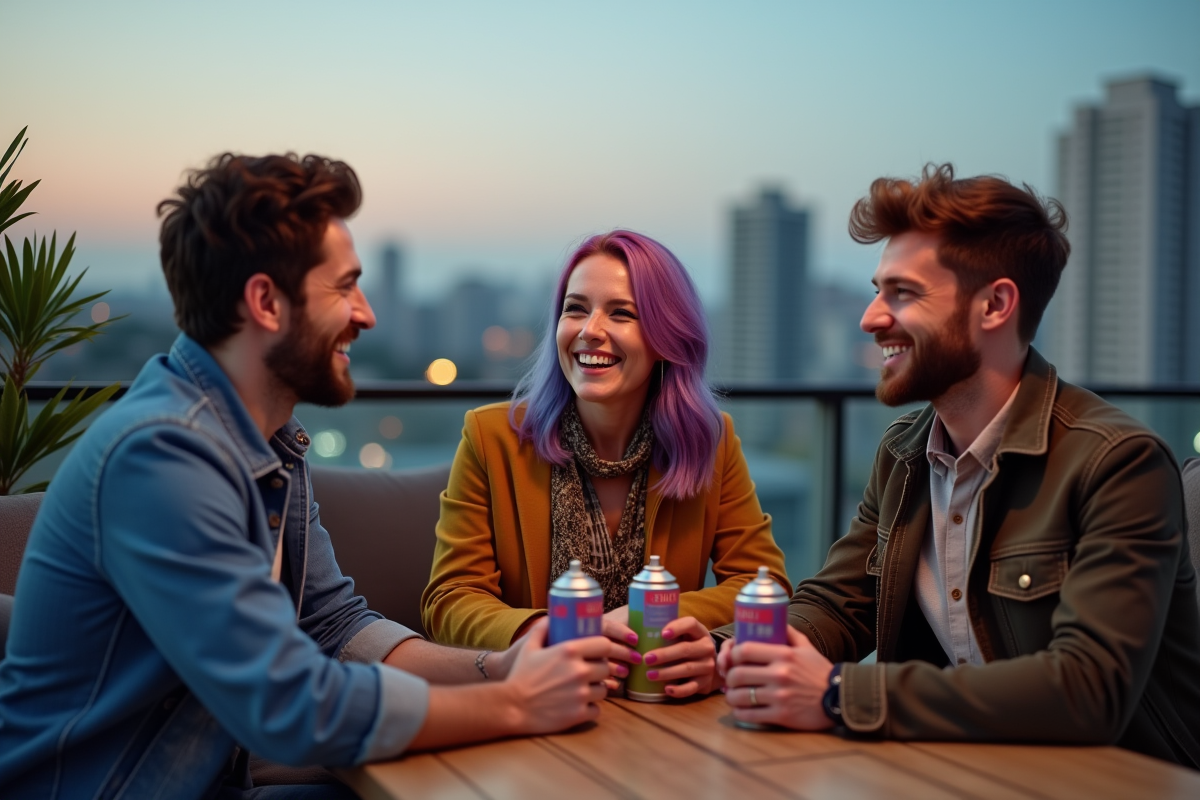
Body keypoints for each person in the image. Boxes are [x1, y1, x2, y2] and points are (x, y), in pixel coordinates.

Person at [0, 153, 613, 798]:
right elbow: (290, 705)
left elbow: (332, 625)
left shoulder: (266, 447)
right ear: (265, 301)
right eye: (344, 287)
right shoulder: (162, 455)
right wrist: (517, 705)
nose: (367, 313)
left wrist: (495, 668)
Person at [718, 163, 1200, 767]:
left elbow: (1087, 691)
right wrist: (734, 648)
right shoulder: (904, 452)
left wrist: (841, 694)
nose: (870, 318)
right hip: (958, 770)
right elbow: (841, 603)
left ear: (995, 305)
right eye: (876, 290)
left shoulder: (1118, 463)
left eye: (903, 293)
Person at [422, 230, 789, 698]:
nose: (589, 329)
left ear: (666, 336)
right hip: (535, 703)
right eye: (575, 309)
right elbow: (449, 600)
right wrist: (557, 632)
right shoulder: (490, 437)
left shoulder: (712, 442)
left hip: (661, 707)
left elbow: (765, 584)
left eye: (621, 313)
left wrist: (663, 620)